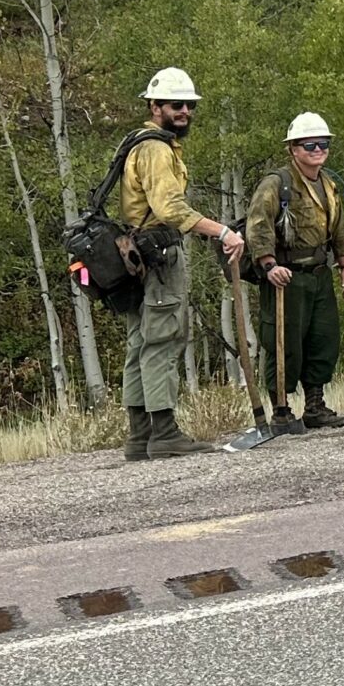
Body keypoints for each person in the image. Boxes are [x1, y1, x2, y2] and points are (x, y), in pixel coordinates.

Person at [115, 67, 243, 459]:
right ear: (155, 106)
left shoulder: (138, 143)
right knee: (162, 340)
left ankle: (140, 436)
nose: (184, 111)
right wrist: (221, 231)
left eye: (188, 105)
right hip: (157, 256)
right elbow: (170, 208)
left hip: (137, 256)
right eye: (176, 104)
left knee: (140, 341)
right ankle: (164, 432)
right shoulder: (155, 148)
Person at [245, 112, 344, 431]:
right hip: (287, 275)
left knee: (323, 339)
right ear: (293, 149)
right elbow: (258, 225)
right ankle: (281, 410)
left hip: (319, 273)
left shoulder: (328, 184)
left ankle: (315, 406)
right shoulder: (276, 184)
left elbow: (339, 227)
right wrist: (269, 265)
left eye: (323, 144)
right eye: (310, 145)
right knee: (284, 342)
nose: (318, 150)